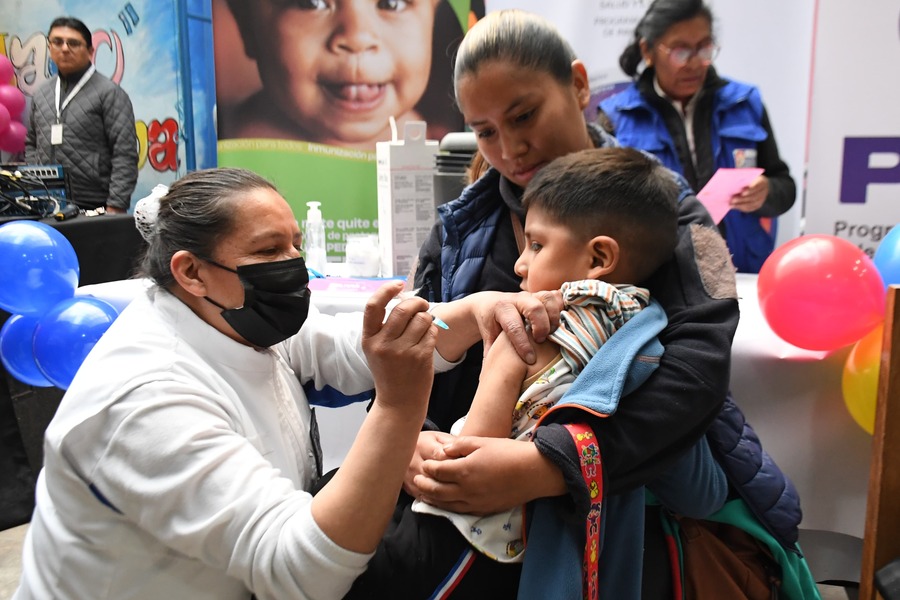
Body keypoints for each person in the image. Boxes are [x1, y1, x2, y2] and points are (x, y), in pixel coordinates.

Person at [12, 167, 557, 600]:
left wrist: (478, 309)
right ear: (191, 271)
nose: (293, 267)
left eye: (295, 245)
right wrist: (397, 411)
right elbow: (305, 572)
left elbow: (350, 350)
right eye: (269, 251)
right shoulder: (144, 398)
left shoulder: (232, 313)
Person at [410, 9, 806, 599]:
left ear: (576, 84)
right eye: (486, 131)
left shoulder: (676, 212)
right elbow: (414, 351)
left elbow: (699, 365)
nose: (511, 147)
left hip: (632, 506)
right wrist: (413, 437)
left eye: (523, 115)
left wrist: (550, 465)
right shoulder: (459, 227)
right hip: (475, 511)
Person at [410, 146, 727, 569]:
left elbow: (468, 462)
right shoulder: (656, 331)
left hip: (492, 551)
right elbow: (703, 491)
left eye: (537, 245)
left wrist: (411, 444)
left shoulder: (525, 336)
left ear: (599, 258)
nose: (521, 265)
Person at [597, 0, 796, 273]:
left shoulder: (744, 103)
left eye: (704, 48)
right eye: (680, 52)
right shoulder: (616, 118)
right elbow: (600, 212)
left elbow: (784, 185)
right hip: (663, 278)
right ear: (648, 51)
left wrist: (767, 193)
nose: (694, 63)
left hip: (743, 272)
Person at [220, 0, 458, 150]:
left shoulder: (445, 145)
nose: (356, 38)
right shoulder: (227, 148)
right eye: (311, 4)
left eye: (390, 4)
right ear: (247, 25)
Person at [25, 16, 138, 214]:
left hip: (94, 205)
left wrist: (116, 205)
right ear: (49, 47)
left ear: (90, 51)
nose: (65, 48)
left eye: (74, 43)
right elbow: (31, 142)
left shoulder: (109, 93)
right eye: (57, 42)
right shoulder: (42, 94)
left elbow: (124, 154)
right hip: (45, 203)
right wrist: (36, 180)